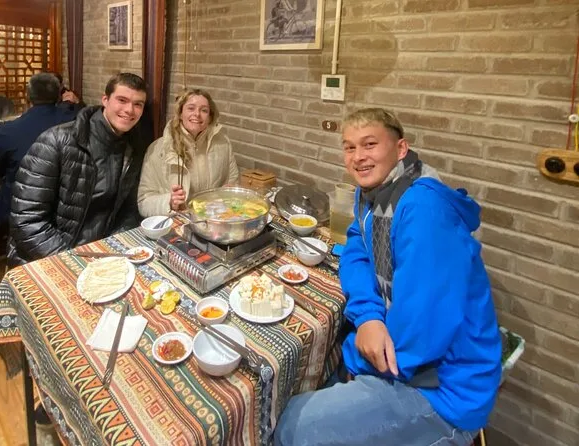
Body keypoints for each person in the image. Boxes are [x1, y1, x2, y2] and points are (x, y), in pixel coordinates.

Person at [274, 108, 502, 446]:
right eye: (349, 147)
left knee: (292, 425)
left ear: (401, 148)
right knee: (312, 379)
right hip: (407, 358)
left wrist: (355, 358)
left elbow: (422, 332)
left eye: (370, 144)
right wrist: (367, 315)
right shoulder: (372, 194)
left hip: (442, 388)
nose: (358, 157)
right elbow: (356, 248)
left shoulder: (423, 209)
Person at [7, 72, 153, 267]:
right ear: (105, 100)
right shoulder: (57, 141)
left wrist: (116, 248)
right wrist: (71, 261)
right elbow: (26, 219)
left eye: (138, 104)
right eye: (122, 100)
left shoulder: (134, 146)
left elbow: (128, 209)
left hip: (103, 252)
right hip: (50, 255)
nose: (129, 110)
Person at [0, 73, 79, 225]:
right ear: (59, 96)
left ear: (28, 97)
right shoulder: (74, 120)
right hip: (67, 200)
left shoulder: (7, 130)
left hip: (22, 202)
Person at [137, 88, 239, 216]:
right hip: (175, 222)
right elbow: (144, 202)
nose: (197, 114)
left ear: (210, 117)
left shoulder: (223, 144)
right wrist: (169, 202)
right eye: (191, 108)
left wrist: (228, 194)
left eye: (204, 110)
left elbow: (233, 184)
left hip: (213, 220)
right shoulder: (157, 149)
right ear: (180, 113)